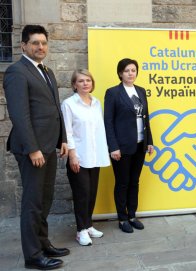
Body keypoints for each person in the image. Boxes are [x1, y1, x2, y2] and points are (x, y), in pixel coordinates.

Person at [3, 25, 69, 270]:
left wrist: (62, 138)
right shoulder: (16, 72)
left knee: (45, 197)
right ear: (23, 46)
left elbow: (54, 108)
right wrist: (33, 149)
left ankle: (43, 243)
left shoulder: (47, 71)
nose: (40, 47)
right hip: (33, 150)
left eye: (43, 43)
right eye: (35, 43)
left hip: (49, 146)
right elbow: (19, 115)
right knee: (32, 202)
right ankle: (33, 255)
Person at [104, 58, 154, 233]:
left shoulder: (141, 91)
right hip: (122, 147)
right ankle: (122, 218)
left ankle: (132, 215)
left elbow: (146, 118)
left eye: (133, 70)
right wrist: (113, 147)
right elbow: (108, 122)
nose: (130, 73)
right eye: (127, 71)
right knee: (122, 182)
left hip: (140, 145)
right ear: (120, 73)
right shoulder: (113, 93)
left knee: (135, 181)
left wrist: (149, 142)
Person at [61, 69, 110, 245]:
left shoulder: (96, 103)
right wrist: (72, 155)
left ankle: (88, 225)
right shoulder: (68, 104)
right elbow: (66, 131)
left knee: (91, 193)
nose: (85, 83)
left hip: (94, 155)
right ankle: (80, 230)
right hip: (78, 156)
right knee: (81, 193)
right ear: (74, 84)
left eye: (88, 80)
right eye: (81, 81)